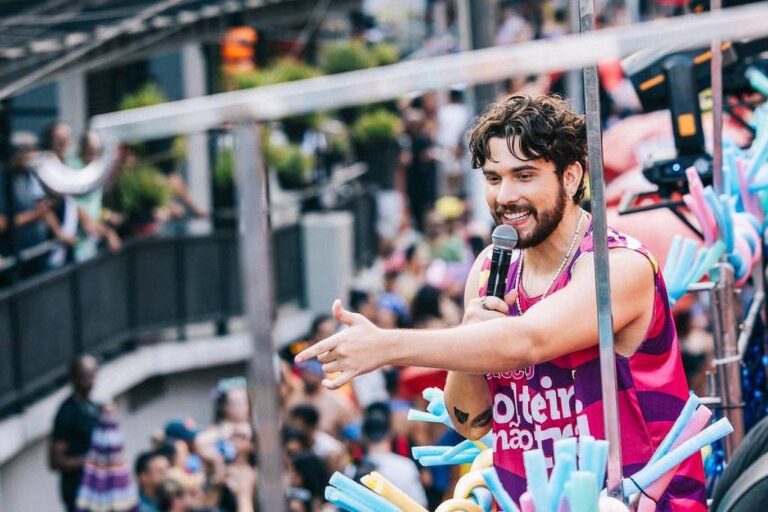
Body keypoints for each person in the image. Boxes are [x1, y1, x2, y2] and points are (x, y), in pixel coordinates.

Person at [297, 94, 706, 509]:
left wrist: (387, 346)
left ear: (570, 177)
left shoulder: (617, 264)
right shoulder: (491, 267)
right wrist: (471, 334)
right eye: (494, 179)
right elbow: (471, 421)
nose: (505, 196)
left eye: (524, 175)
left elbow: (529, 340)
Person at [49, 355, 102, 512]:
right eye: (85, 375)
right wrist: (85, 461)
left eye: (93, 374)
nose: (90, 380)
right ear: (74, 378)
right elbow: (55, 461)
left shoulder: (92, 407)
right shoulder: (67, 412)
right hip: (77, 490)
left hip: (96, 489)